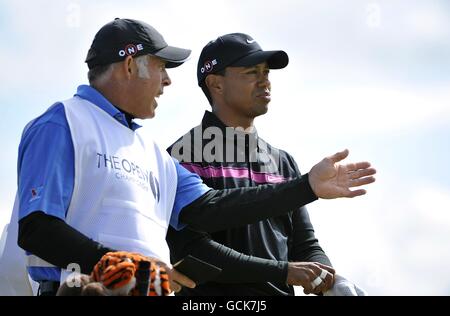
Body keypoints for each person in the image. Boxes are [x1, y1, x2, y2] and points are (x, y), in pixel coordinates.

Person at [0, 20, 375, 296]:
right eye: (162, 67)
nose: (167, 82)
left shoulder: (150, 152)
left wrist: (306, 186)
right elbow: (36, 227)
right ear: (130, 66)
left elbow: (211, 208)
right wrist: (125, 266)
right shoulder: (62, 121)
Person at [167, 33, 375, 296]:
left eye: (266, 72)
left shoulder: (282, 161)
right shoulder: (183, 154)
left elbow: (304, 244)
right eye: (252, 72)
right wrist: (284, 271)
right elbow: (194, 252)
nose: (265, 81)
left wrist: (328, 277)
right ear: (215, 84)